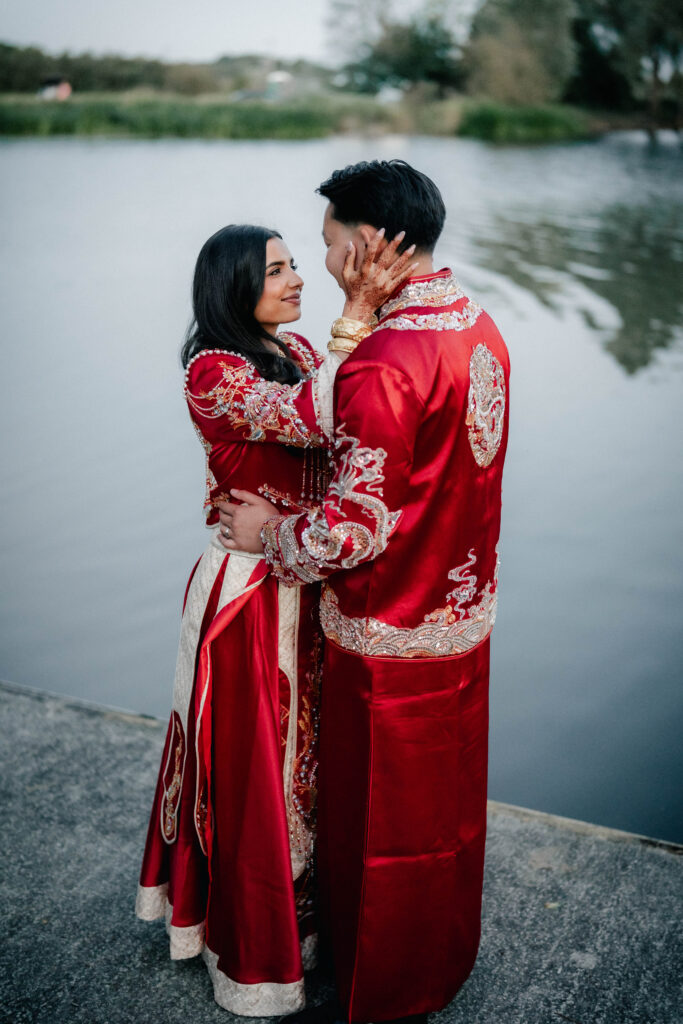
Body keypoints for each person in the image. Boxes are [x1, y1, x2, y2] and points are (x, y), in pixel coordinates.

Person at [217, 160, 511, 1024]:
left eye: (329, 242)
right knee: (445, 818)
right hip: (459, 617)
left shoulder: (386, 358)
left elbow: (351, 530)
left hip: (386, 629)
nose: (326, 260)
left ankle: (384, 992)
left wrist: (262, 534)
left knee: (382, 825)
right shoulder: (477, 325)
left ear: (371, 241)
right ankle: (441, 960)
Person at [135, 223, 417, 1016]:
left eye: (297, 265)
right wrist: (358, 313)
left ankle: (308, 930)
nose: (297, 280)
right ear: (232, 286)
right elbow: (313, 419)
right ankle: (251, 951)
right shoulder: (212, 372)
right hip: (252, 590)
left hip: (304, 569)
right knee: (260, 762)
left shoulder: (295, 350)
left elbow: (352, 417)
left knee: (309, 759)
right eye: (276, 271)